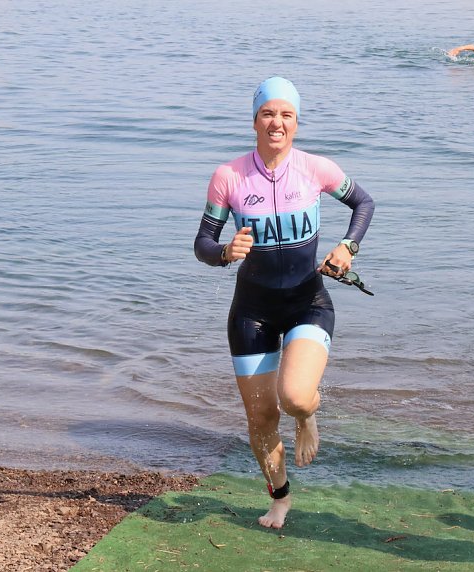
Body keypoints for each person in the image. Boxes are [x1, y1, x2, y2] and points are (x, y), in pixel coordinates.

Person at [193, 76, 375, 529]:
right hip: (251, 313)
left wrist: (348, 246)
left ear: (296, 122)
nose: (277, 122)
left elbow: (364, 203)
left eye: (286, 114)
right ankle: (280, 497)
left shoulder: (316, 169)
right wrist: (224, 252)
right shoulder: (229, 177)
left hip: (306, 302)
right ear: (255, 120)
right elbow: (203, 243)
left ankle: (307, 415)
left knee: (294, 398)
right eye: (268, 113)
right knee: (261, 417)